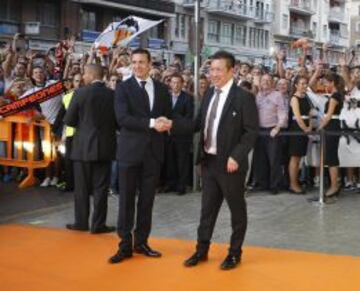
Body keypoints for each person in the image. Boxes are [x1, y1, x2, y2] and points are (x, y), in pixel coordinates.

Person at [182, 51, 259, 270]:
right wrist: (170, 124)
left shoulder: (244, 97)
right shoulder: (208, 94)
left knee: (237, 210)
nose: (213, 74)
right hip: (209, 161)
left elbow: (251, 132)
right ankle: (201, 250)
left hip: (230, 164)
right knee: (207, 209)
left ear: (231, 71)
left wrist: (236, 155)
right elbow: (197, 124)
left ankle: (235, 253)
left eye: (218, 70)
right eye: (211, 69)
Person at [109, 48, 174, 264]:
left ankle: (142, 242)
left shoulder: (163, 90)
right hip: (129, 153)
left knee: (147, 202)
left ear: (149, 64)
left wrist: (164, 124)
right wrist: (151, 123)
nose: (137, 66)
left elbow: (167, 117)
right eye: (134, 62)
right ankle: (124, 245)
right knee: (126, 200)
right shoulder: (123, 88)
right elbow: (122, 119)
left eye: (141, 62)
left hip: (153, 154)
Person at [64, 64, 116, 233]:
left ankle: (81, 223)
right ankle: (98, 225)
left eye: (85, 73)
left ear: (92, 74)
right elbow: (118, 122)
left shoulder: (79, 93)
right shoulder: (112, 95)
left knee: (81, 188)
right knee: (101, 189)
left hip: (82, 148)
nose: (83, 77)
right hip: (105, 148)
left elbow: (69, 120)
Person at [252, 74, 288, 194]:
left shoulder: (277, 95)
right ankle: (262, 184)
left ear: (272, 83)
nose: (266, 82)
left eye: (268, 80)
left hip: (273, 130)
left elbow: (282, 113)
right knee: (260, 159)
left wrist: (278, 127)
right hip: (260, 131)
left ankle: (274, 185)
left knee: (274, 160)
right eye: (263, 80)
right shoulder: (258, 95)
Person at [164, 73, 194, 195]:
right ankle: (171, 183)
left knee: (182, 161)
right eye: (173, 82)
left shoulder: (187, 98)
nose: (175, 85)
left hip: (182, 136)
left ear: (182, 84)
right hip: (167, 134)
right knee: (170, 161)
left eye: (178, 82)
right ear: (170, 84)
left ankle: (181, 186)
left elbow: (188, 117)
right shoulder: (165, 97)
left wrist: (173, 121)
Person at [318, 71, 345, 200]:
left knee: (331, 157)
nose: (324, 84)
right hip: (333, 126)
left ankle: (334, 186)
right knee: (330, 156)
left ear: (332, 82)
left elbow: (328, 116)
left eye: (326, 82)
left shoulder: (334, 96)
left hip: (332, 127)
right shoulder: (336, 95)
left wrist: (320, 127)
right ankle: (334, 184)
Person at [288, 76, 312, 194]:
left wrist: (310, 126)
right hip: (297, 129)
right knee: (295, 158)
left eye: (305, 83)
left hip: (306, 129)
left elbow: (311, 113)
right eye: (301, 83)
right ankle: (293, 184)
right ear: (296, 85)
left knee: (300, 158)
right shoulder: (294, 98)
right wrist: (305, 128)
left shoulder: (307, 97)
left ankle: (296, 182)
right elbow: (297, 117)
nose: (304, 85)